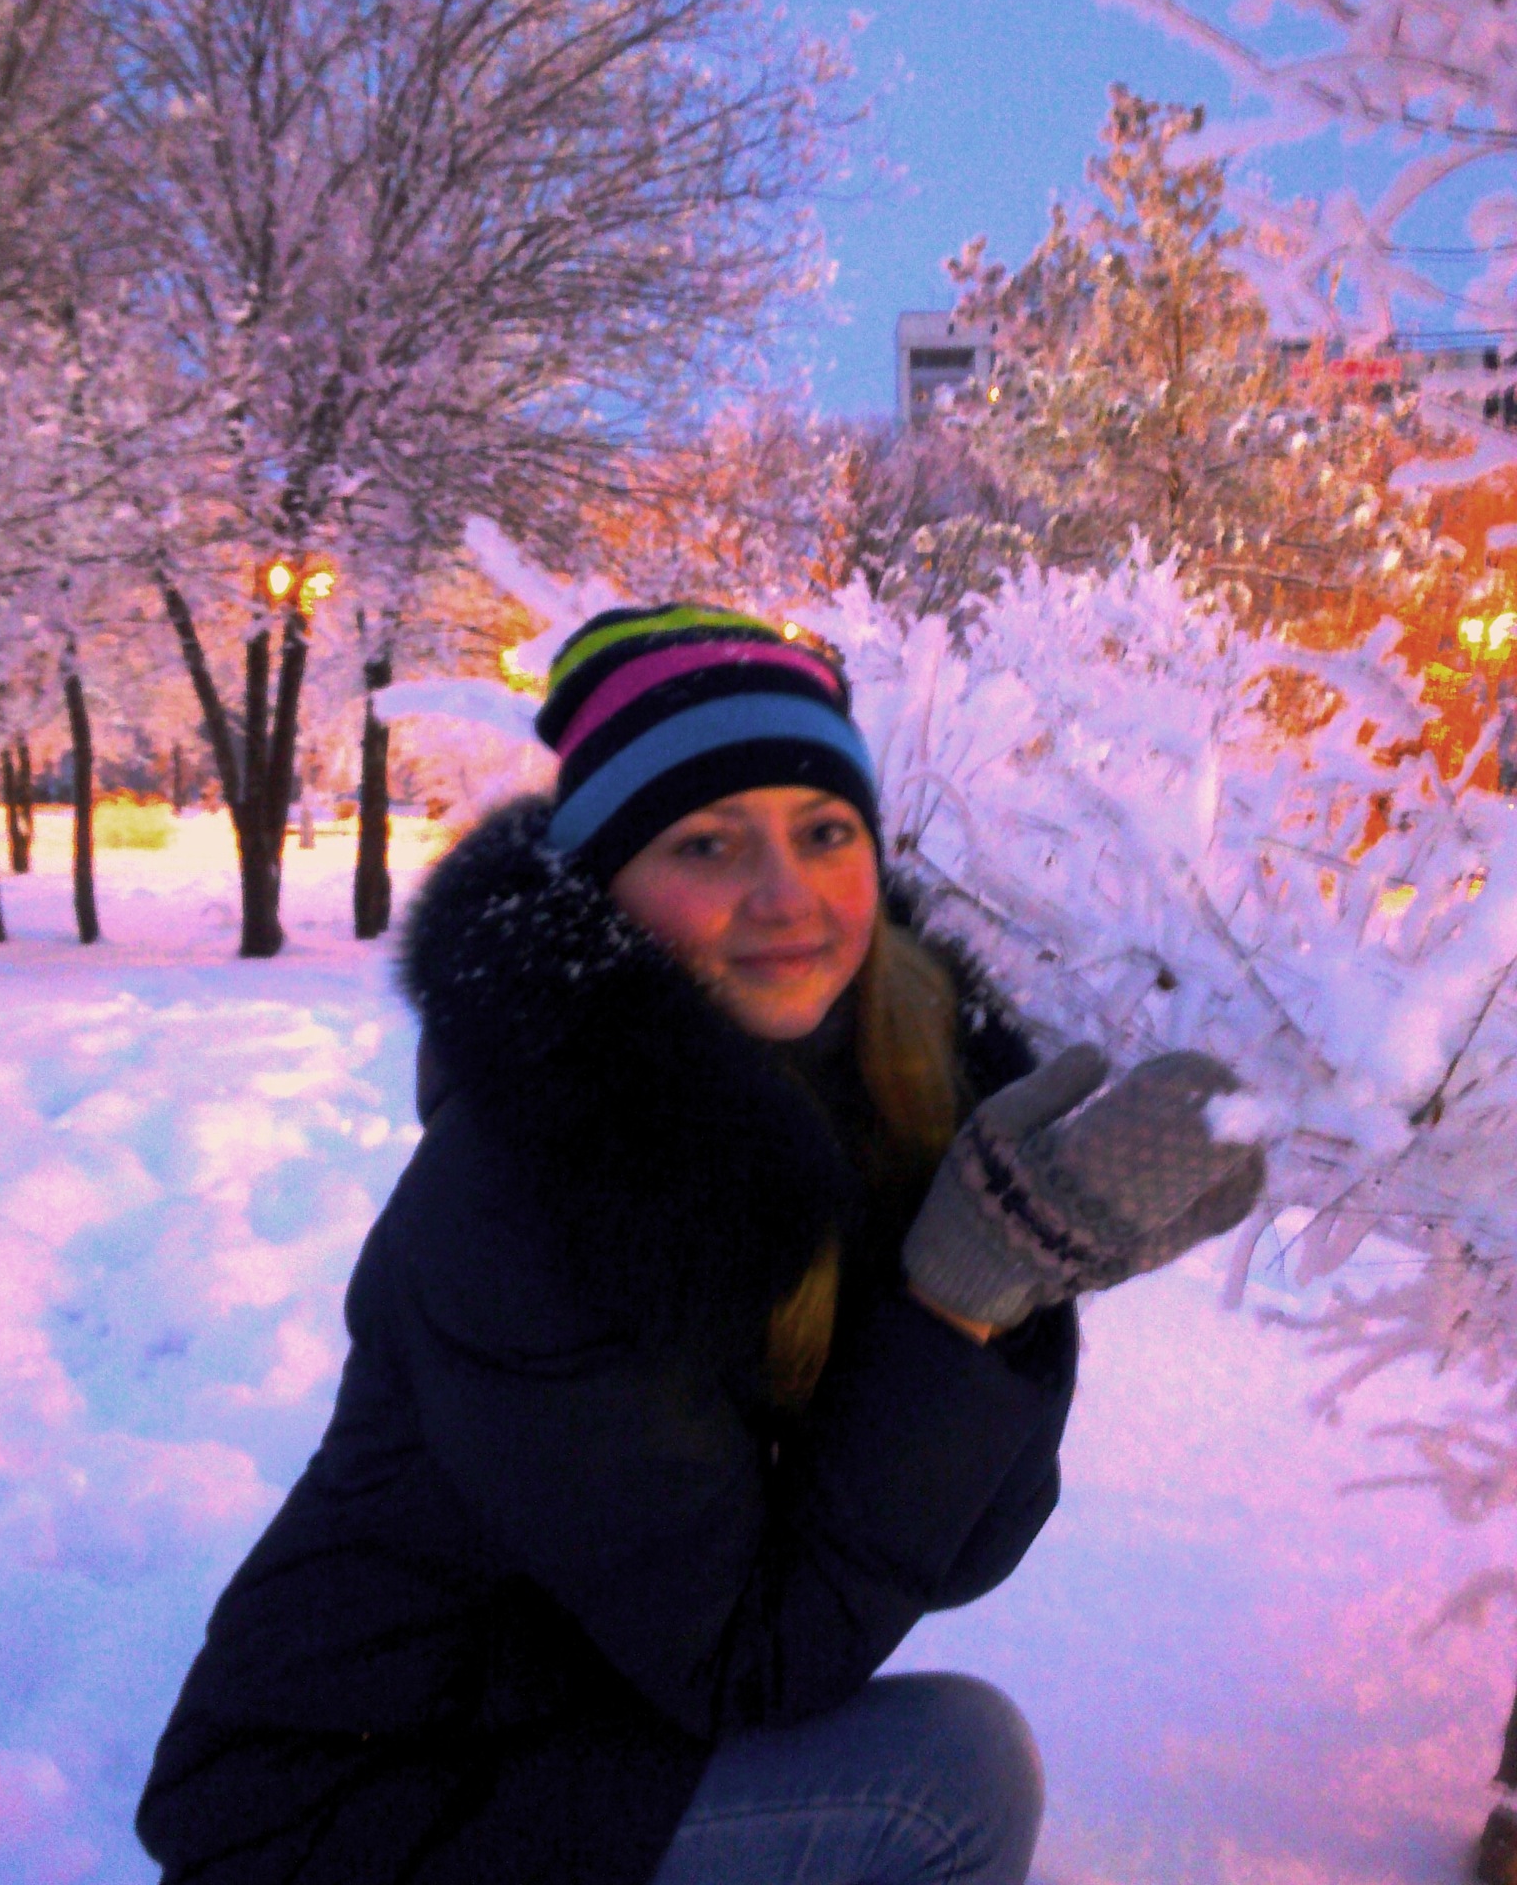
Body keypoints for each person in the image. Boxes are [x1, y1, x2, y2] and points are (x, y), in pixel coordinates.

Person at [136, 603, 1265, 1885]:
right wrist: (964, 1301)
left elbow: (963, 1549)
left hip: (581, 1724)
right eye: (706, 843)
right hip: (352, 1803)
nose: (786, 895)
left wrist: (1031, 1271)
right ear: (605, 889)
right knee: (947, 1780)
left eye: (824, 830)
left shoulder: (866, 1083)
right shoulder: (526, 1191)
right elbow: (756, 1658)